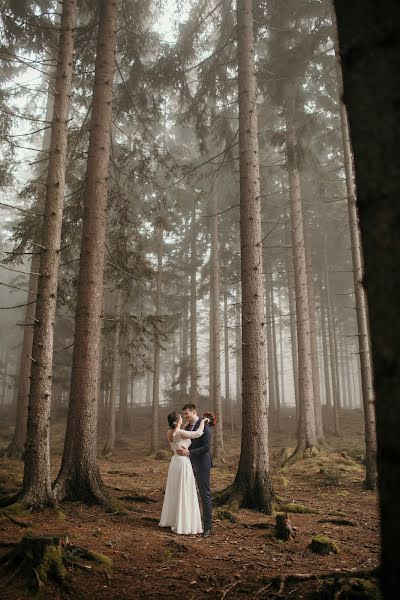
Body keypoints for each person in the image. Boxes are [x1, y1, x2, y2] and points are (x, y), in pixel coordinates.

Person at [159, 411, 209, 535]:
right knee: (184, 490)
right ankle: (183, 522)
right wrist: (202, 422)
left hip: (175, 461)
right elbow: (197, 433)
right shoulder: (180, 432)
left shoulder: (170, 432)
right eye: (180, 417)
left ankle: (173, 519)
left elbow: (179, 436)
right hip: (183, 462)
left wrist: (184, 424)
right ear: (178, 420)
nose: (182, 417)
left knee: (176, 490)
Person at [177, 403, 213, 538]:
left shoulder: (205, 426)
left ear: (194, 412)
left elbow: (206, 447)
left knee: (205, 495)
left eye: (187, 413)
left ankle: (208, 527)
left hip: (202, 465)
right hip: (187, 465)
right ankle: (191, 524)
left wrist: (189, 452)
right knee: (190, 494)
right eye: (184, 414)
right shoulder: (187, 427)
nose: (185, 416)